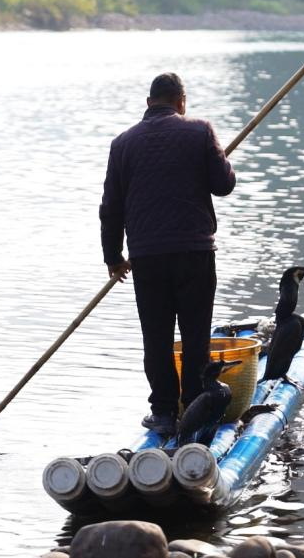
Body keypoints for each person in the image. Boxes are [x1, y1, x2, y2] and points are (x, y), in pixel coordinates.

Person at [99, 72, 237, 435]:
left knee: (156, 336)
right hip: (194, 252)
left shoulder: (122, 144)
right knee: (195, 334)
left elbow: (110, 208)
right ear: (181, 101)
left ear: (149, 103)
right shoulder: (200, 131)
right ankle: (193, 405)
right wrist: (221, 159)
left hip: (146, 256)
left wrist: (113, 257)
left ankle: (162, 412)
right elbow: (224, 185)